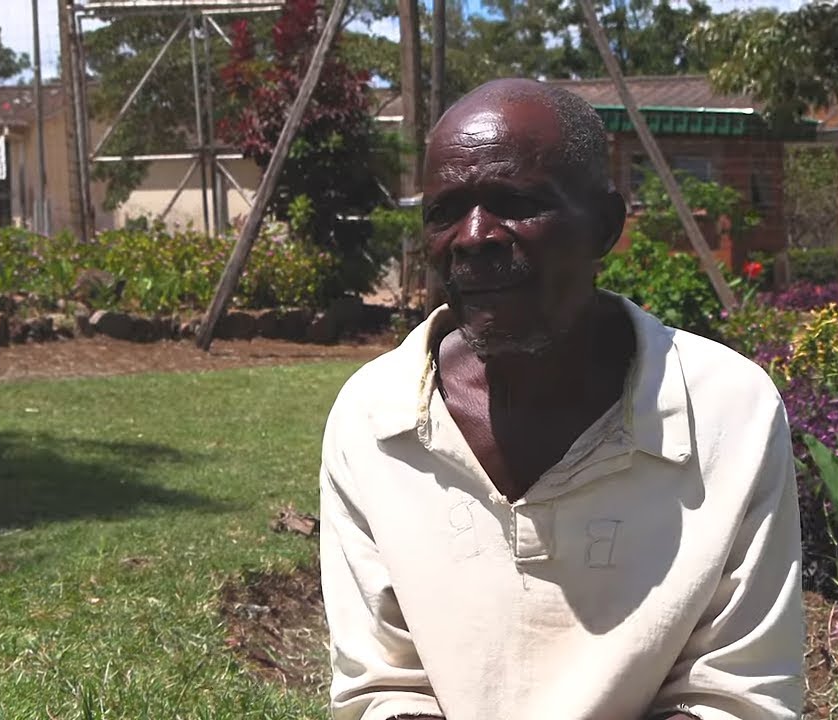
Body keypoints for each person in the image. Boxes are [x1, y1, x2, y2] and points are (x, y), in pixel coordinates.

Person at [319, 78, 804, 720]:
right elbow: (384, 688)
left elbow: (735, 696)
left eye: (515, 201)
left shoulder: (727, 413)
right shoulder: (375, 420)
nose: (472, 237)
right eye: (445, 211)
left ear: (604, 226)